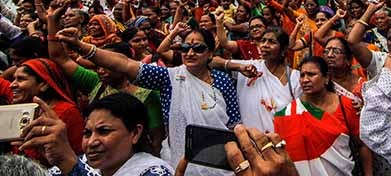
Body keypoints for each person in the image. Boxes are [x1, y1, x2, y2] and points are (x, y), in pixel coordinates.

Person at [57, 26, 241, 175]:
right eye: (185, 48)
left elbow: (234, 124)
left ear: (210, 53)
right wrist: (81, 46)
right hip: (181, 163)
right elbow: (125, 64)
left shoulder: (223, 80)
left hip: (220, 164)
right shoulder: (169, 78)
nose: (190, 52)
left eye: (198, 48)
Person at [50, 28, 164, 156]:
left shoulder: (147, 95)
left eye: (107, 66)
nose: (101, 71)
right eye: (98, 66)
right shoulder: (95, 83)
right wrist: (52, 20)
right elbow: (60, 58)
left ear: (121, 64)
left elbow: (156, 140)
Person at [20, 93, 174, 176]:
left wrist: (67, 162)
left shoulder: (155, 172)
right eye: (87, 133)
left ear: (135, 133)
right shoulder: (81, 163)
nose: (92, 142)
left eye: (104, 131)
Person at [274, 56, 372, 176]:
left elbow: (362, 145)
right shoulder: (287, 115)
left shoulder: (346, 105)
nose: (305, 80)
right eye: (302, 75)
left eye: (311, 74)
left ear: (326, 78)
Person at [212, 27, 302, 132]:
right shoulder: (249, 67)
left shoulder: (295, 78)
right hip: (250, 141)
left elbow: (301, 115)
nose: (265, 45)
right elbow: (210, 61)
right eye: (263, 41)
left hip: (282, 142)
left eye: (272, 42)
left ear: (283, 49)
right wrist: (238, 67)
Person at [10, 58, 84, 164]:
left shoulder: (68, 112)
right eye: (14, 79)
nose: (12, 85)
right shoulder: (24, 110)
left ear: (44, 84)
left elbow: (79, 158)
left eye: (21, 79)